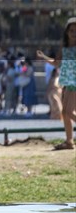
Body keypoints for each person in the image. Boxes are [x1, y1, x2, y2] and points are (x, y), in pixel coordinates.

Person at [37, 16, 76, 150]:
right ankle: (69, 141)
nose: (74, 33)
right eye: (71, 30)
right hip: (67, 82)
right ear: (67, 32)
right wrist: (44, 57)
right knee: (64, 113)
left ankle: (69, 141)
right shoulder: (64, 48)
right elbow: (56, 63)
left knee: (69, 112)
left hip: (74, 82)